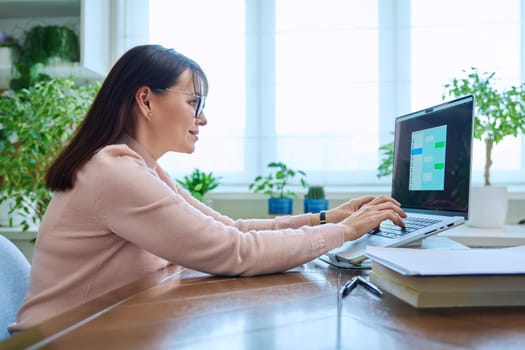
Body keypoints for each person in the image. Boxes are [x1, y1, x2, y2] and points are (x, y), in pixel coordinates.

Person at [9, 44, 406, 333]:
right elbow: (234, 251)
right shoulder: (113, 172)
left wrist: (326, 218)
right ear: (146, 100)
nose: (203, 118)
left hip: (102, 329)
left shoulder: (142, 169)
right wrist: (345, 233)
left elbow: (232, 230)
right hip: (59, 341)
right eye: (194, 102)